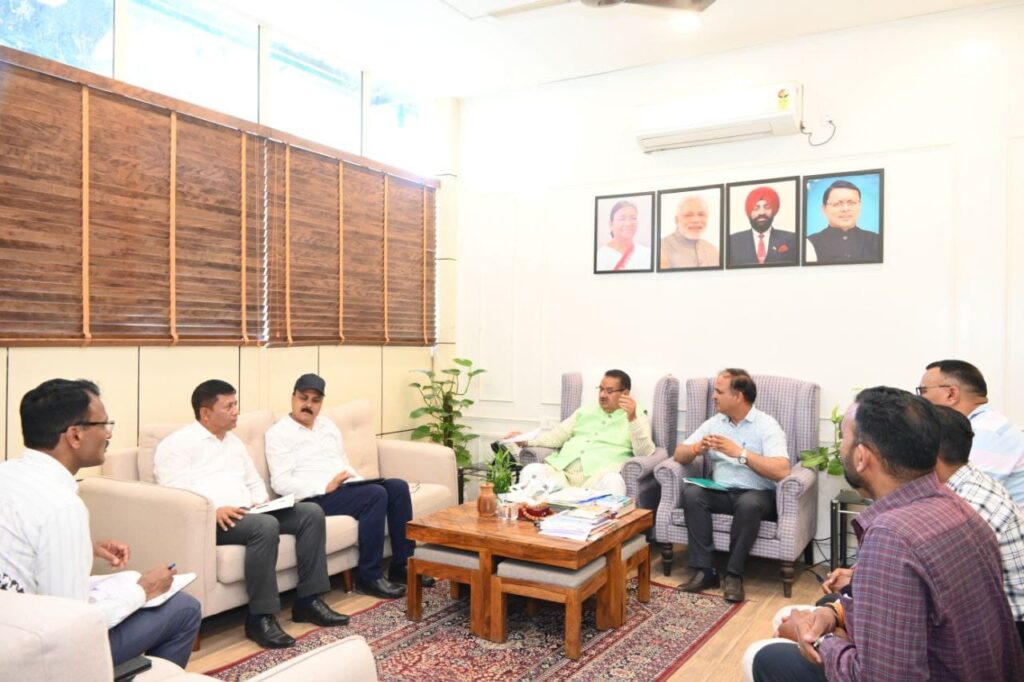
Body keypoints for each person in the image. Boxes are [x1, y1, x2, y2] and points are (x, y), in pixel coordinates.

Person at [748, 387, 1023, 682]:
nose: (840, 448)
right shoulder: (958, 506)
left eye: (843, 438)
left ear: (862, 456)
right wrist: (835, 615)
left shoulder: (892, 537)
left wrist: (819, 642)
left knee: (761, 654)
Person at [0, 379, 201, 669]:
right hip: (35, 657)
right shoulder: (62, 507)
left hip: (11, 626)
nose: (109, 433)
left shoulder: (8, 474)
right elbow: (72, 626)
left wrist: (85, 548)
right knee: (184, 609)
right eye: (104, 424)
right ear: (75, 435)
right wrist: (143, 590)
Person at [154, 379, 349, 650]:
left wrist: (262, 502)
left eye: (236, 404)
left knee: (310, 512)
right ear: (205, 412)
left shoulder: (233, 442)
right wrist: (214, 509)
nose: (236, 412)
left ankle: (308, 601)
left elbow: (254, 481)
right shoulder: (177, 445)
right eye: (229, 406)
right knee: (264, 526)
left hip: (249, 513)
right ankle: (260, 618)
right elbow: (175, 495)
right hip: (211, 520)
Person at [264, 373, 423, 600]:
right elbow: (280, 482)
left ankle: (402, 565)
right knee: (375, 494)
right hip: (312, 498)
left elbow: (342, 462)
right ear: (292, 397)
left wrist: (357, 481)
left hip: (341, 489)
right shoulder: (278, 433)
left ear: (321, 403)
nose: (308, 405)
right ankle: (368, 577)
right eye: (303, 398)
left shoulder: (327, 425)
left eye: (315, 400)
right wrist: (325, 486)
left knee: (397, 487)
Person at [672, 369, 790, 603]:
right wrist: (696, 448)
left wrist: (741, 454)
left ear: (738, 396)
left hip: (757, 494)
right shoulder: (715, 423)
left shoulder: (766, 425)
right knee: (692, 493)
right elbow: (679, 454)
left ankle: (734, 575)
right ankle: (705, 571)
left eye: (719, 391)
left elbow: (781, 470)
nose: (713, 396)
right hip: (721, 491)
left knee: (748, 504)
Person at [931, 404, 1024, 646]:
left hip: (1010, 627)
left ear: (930, 452)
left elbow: (942, 587)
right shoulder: (967, 478)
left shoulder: (968, 504)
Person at [504, 369, 654, 492]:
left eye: (609, 391)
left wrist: (632, 418)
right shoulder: (585, 411)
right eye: (601, 389)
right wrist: (525, 441)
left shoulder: (637, 415)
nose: (602, 395)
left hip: (597, 479)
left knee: (613, 481)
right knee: (532, 470)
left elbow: (644, 452)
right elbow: (557, 435)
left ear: (625, 394)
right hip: (562, 475)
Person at [917, 359, 1024, 506]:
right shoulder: (973, 427)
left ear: (951, 394)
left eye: (923, 391)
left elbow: (964, 499)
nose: (920, 399)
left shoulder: (988, 432)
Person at [805, 180, 880, 264]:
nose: (845, 209)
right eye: (837, 204)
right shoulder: (809, 243)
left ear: (860, 206)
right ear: (824, 209)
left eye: (852, 203)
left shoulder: (877, 240)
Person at [727, 186, 798, 266]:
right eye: (756, 208)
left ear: (774, 210)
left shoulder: (792, 239)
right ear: (749, 212)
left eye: (767, 207)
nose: (762, 212)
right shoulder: (732, 241)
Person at [659, 195, 719, 269]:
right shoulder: (661, 248)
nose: (696, 220)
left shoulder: (713, 251)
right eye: (688, 215)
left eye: (701, 214)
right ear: (676, 220)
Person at [595, 199, 651, 271]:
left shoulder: (647, 253)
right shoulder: (600, 257)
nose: (628, 224)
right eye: (622, 219)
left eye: (633, 218)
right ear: (610, 224)